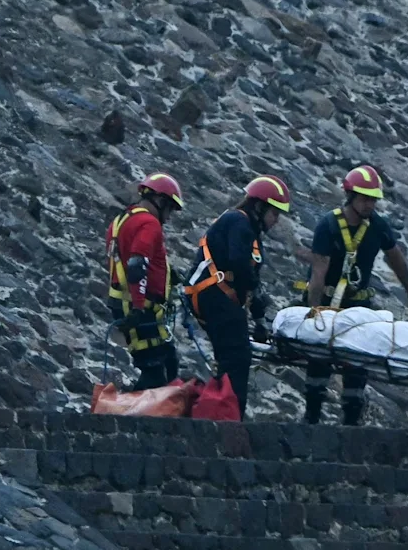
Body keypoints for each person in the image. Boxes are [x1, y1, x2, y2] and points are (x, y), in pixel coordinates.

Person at [296, 164, 408, 426]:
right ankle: (312, 418)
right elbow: (319, 271)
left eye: (373, 200)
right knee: (319, 361)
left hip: (358, 307)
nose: (370, 205)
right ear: (351, 196)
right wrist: (314, 310)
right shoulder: (329, 225)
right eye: (365, 199)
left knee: (357, 363)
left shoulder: (378, 226)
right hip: (327, 304)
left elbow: (396, 259)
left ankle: (351, 420)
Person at [184, 175, 291, 418]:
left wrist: (260, 321)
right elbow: (240, 265)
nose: (276, 220)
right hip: (213, 295)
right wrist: (254, 295)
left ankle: (222, 413)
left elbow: (250, 280)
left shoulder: (248, 231)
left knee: (233, 357)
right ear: (260, 207)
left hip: (219, 297)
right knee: (237, 357)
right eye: (275, 213)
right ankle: (229, 419)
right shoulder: (239, 222)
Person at [105, 173, 184, 390]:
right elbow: (137, 265)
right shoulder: (149, 223)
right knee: (156, 372)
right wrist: (139, 307)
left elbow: (129, 259)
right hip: (139, 308)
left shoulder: (122, 220)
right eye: (169, 209)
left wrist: (167, 275)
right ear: (159, 201)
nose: (168, 217)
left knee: (167, 361)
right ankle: (134, 410)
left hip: (125, 303)